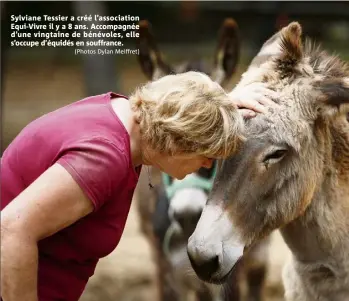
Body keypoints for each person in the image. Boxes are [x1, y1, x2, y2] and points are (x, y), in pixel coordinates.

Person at [1, 71, 275, 301]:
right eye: (208, 155)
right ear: (180, 140)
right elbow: (12, 228)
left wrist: (217, 107)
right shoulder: (103, 158)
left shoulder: (127, 115)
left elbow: (170, 100)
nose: (206, 166)